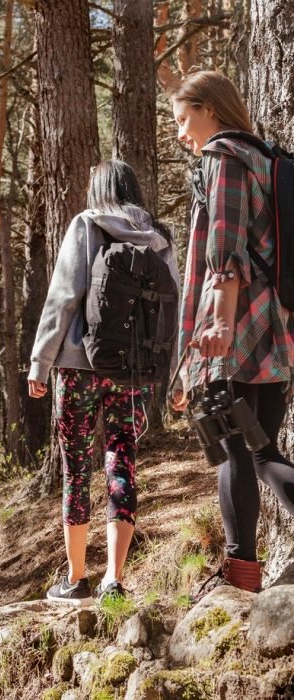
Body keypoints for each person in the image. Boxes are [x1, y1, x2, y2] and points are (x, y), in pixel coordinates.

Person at [27, 160, 179, 606]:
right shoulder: (159, 237)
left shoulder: (86, 224)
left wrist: (40, 362)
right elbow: (173, 306)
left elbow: (64, 295)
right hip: (131, 369)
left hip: (77, 367)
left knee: (76, 466)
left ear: (98, 190)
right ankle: (114, 577)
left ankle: (77, 580)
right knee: (122, 458)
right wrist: (173, 375)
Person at [170, 70, 294, 593]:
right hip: (275, 322)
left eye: (183, 119)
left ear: (210, 110)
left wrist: (218, 323)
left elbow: (226, 249)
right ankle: (242, 569)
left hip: (239, 322)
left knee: (233, 448)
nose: (180, 134)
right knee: (265, 450)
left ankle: (239, 573)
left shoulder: (224, 157)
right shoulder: (265, 158)